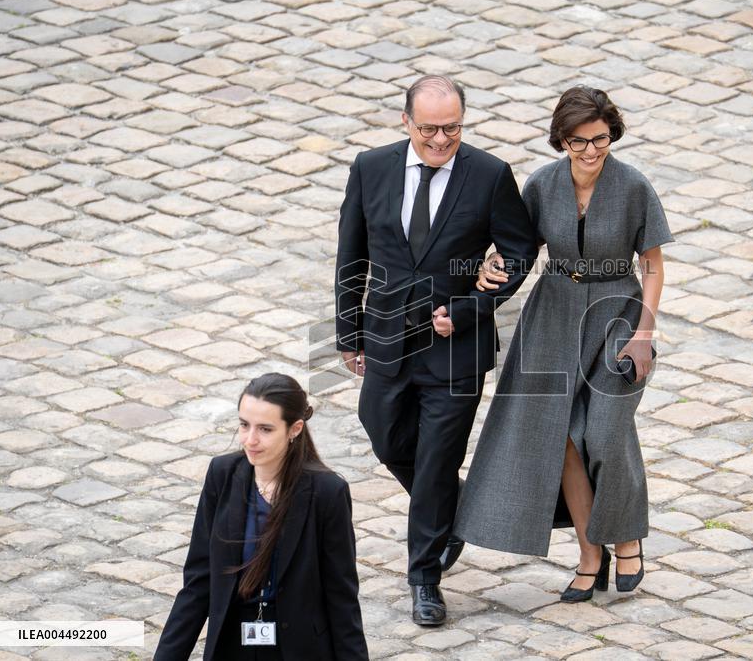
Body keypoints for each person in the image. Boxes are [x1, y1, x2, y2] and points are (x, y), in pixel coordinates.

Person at [453, 86, 672, 601]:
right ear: (561, 141)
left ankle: (627, 537)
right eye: (578, 142)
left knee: (605, 431)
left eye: (600, 140)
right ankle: (589, 554)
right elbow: (518, 246)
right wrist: (491, 264)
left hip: (617, 312)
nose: (591, 151)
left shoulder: (634, 186)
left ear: (611, 135)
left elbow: (654, 266)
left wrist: (644, 334)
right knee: (564, 437)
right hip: (552, 312)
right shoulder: (543, 185)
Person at [335, 75, 537, 625]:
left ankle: (425, 579)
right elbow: (351, 254)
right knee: (383, 433)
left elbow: (519, 251)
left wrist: (471, 307)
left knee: (436, 459)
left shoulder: (490, 175)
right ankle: (453, 504)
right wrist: (348, 334)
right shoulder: (371, 168)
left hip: (457, 349)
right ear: (406, 122)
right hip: (386, 339)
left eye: (452, 128)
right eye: (429, 129)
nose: (441, 140)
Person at [155, 373, 368, 660]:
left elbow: (341, 597)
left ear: (294, 429)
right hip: (232, 643)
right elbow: (198, 583)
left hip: (299, 648)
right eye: (244, 425)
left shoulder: (327, 493)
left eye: (265, 429)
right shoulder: (222, 475)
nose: (250, 440)